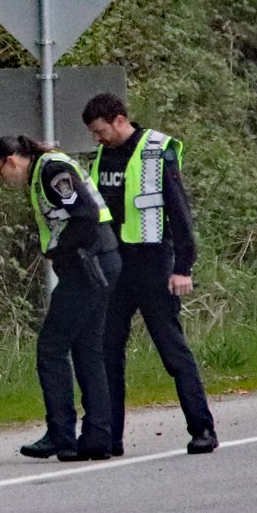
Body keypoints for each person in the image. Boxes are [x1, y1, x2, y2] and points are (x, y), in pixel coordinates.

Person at [81, 93, 218, 455]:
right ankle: (110, 437)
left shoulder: (156, 151)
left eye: (101, 130)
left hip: (153, 262)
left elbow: (179, 211)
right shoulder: (98, 158)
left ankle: (202, 428)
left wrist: (183, 267)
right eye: (94, 133)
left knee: (172, 351)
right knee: (107, 353)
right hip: (113, 267)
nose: (98, 138)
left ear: (119, 119)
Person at [0, 135, 122, 461]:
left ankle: (61, 434)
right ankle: (98, 437)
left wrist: (61, 251)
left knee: (51, 346)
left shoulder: (51, 171)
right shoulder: (43, 172)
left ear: (12, 160)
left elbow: (86, 215)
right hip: (101, 261)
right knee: (87, 348)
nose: (2, 180)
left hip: (89, 266)